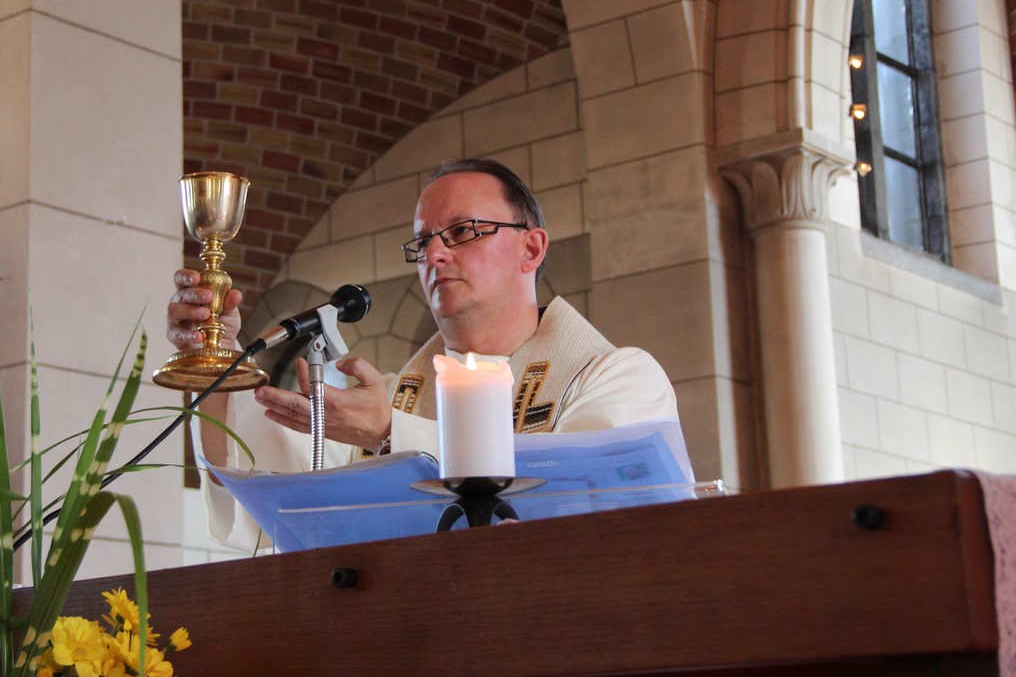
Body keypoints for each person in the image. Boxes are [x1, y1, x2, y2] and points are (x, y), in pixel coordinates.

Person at [167, 158, 682, 553]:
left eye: (462, 232)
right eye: (423, 242)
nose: (434, 254)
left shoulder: (618, 378)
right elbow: (271, 496)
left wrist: (391, 433)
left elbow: (591, 516)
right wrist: (217, 352)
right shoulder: (392, 397)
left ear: (531, 249)